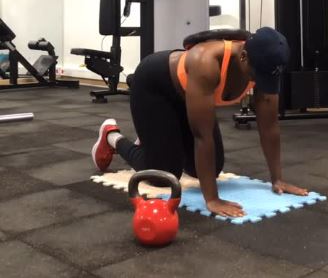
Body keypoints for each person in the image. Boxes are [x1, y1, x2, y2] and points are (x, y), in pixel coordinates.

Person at [91, 27, 308, 218]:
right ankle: (112, 137)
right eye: (256, 75)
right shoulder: (207, 62)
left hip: (190, 96)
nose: (259, 83)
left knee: (210, 169)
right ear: (243, 57)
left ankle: (156, 138)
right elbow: (201, 136)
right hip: (154, 86)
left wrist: (277, 179)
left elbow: (269, 126)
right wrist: (212, 199)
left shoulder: (266, 66)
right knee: (164, 175)